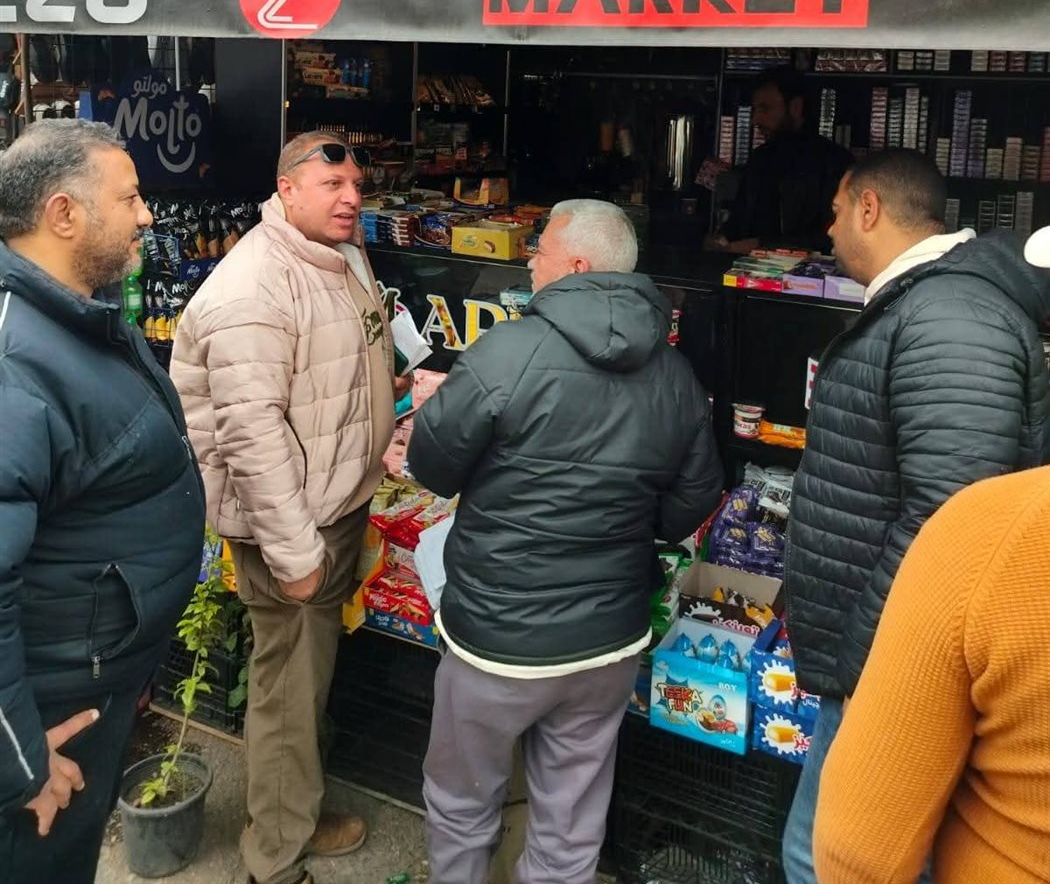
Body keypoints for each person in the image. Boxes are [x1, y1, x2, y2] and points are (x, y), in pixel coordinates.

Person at [407, 198, 724, 884]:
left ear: (577, 265)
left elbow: (431, 465)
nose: (530, 259)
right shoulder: (674, 375)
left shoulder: (506, 352)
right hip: (607, 641)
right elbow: (696, 497)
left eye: (540, 248)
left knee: (462, 804)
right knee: (570, 825)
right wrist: (629, 526)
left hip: (498, 637)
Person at [783, 150, 1050, 884]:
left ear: (869, 209)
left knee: (828, 861)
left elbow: (951, 519)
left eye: (836, 211)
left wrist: (866, 660)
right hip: (880, 658)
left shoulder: (949, 316)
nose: (830, 229)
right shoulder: (930, 304)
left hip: (892, 669)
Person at [170, 133, 400, 884]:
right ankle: (273, 857)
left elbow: (338, 364)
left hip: (334, 507)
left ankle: (294, 810)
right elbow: (252, 438)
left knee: (306, 684)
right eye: (333, 185)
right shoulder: (254, 288)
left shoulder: (337, 254)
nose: (352, 198)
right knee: (287, 692)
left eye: (357, 184)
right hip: (294, 529)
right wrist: (297, 553)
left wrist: (388, 398)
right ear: (287, 189)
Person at [0, 120, 204, 884]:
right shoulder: (15, 361)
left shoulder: (79, 313)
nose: (147, 215)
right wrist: (17, 760)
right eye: (130, 197)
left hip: (96, 677)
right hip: (50, 714)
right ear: (64, 214)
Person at [707, 67, 852, 254]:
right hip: (745, 268)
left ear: (795, 107)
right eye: (755, 110)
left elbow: (832, 238)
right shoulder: (759, 159)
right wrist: (720, 238)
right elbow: (738, 221)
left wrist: (762, 245)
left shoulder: (835, 163)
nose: (755, 120)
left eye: (764, 108)